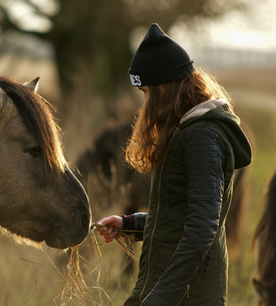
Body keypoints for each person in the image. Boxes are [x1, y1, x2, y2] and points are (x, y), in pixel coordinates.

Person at [96, 23, 252, 305]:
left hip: (190, 296)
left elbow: (202, 229)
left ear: (166, 88)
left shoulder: (202, 138)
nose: (145, 103)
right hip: (166, 291)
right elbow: (176, 217)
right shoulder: (186, 132)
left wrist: (160, 298)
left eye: (147, 92)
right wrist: (128, 223)